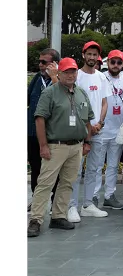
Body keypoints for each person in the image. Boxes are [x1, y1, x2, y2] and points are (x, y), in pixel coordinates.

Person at [27, 58, 95, 238]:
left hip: (76, 146)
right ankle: (36, 219)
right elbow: (39, 119)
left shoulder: (81, 93)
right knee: (45, 183)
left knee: (67, 183)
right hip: (55, 146)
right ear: (59, 73)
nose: (70, 75)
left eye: (73, 72)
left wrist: (87, 142)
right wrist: (43, 145)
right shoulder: (50, 93)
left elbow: (87, 119)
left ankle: (58, 215)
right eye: (66, 72)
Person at [69, 41, 111, 221]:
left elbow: (104, 103)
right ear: (84, 55)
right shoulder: (76, 76)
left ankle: (87, 204)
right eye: (89, 54)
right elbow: (71, 103)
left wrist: (99, 123)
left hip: (98, 130)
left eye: (95, 54)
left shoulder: (101, 77)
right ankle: (71, 206)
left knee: (94, 168)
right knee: (75, 170)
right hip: (79, 130)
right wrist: (87, 127)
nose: (92, 57)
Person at [95, 50, 123, 210]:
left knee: (113, 165)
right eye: (113, 62)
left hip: (119, 130)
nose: (116, 65)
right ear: (108, 62)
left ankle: (110, 195)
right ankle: (94, 196)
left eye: (119, 62)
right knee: (96, 165)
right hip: (102, 128)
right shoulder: (101, 77)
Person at [28, 48, 60, 202]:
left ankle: (54, 201)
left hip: (52, 134)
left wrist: (54, 77)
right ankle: (36, 201)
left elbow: (63, 97)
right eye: (39, 62)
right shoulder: (36, 79)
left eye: (44, 62)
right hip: (33, 132)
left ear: (54, 64)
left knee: (53, 170)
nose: (40, 65)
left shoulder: (62, 79)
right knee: (35, 168)